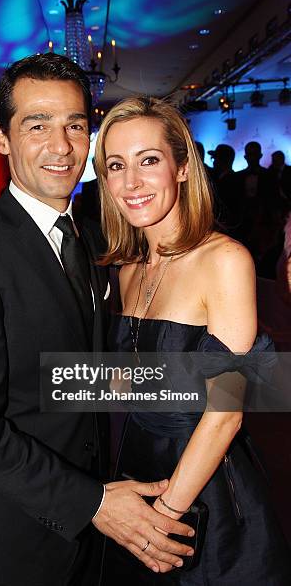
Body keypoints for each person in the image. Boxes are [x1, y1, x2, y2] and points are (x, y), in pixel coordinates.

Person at [0, 55, 193, 586]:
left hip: (110, 500)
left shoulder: (94, 237)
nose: (62, 146)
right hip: (30, 526)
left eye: (74, 125)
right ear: (1, 138)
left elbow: (81, 375)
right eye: (37, 124)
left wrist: (233, 384)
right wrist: (92, 503)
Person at [94, 96, 291, 584]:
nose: (131, 182)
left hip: (201, 483)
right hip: (135, 467)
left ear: (182, 168)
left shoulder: (224, 261)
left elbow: (226, 410)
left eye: (149, 161)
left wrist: (163, 515)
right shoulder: (127, 269)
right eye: (116, 165)